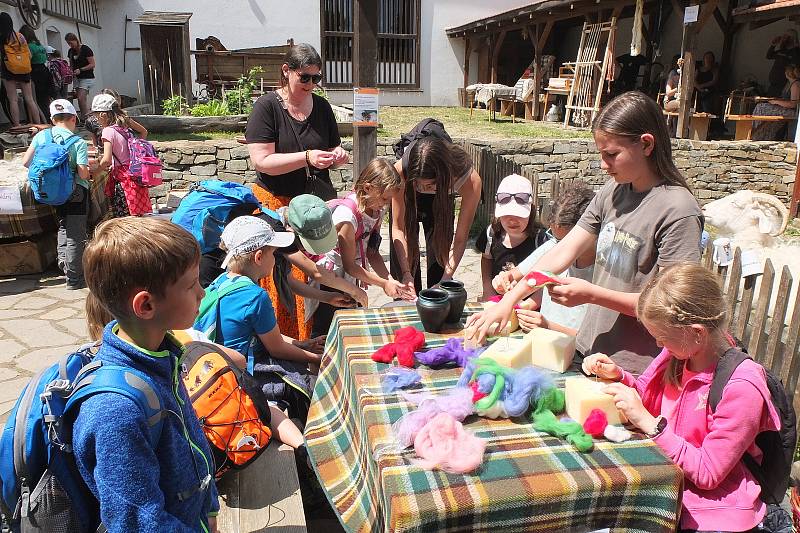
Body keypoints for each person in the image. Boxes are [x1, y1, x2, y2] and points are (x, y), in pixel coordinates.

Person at [466, 91, 704, 375]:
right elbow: (561, 253)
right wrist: (508, 300)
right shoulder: (612, 193)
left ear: (646, 144)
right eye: (601, 154)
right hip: (592, 351)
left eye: (612, 154)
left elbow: (667, 304)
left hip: (639, 368)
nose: (604, 165)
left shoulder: (678, 211)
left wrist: (591, 294)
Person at [583, 263, 781, 532]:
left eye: (662, 337)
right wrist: (618, 376)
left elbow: (708, 473)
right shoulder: (679, 354)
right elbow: (648, 399)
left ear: (697, 332)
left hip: (714, 513)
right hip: (667, 488)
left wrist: (650, 424)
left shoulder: (742, 386)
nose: (658, 345)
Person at [75, 217, 219, 532]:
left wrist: (209, 509)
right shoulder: (115, 411)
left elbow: (192, 443)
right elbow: (136, 523)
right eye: (191, 284)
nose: (203, 293)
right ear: (146, 304)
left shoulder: (162, 355)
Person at [245, 43, 348, 341]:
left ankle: (312, 340)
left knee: (317, 273)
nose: (311, 84)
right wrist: (306, 157)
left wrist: (336, 154)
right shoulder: (267, 107)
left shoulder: (322, 107)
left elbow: (329, 147)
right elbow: (262, 161)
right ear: (286, 71)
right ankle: (286, 346)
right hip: (277, 206)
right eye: (305, 77)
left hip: (314, 208)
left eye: (316, 78)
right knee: (284, 278)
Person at [194, 216, 321, 421]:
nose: (276, 258)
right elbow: (276, 348)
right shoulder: (255, 296)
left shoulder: (222, 281)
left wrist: (302, 344)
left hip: (219, 367)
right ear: (259, 257)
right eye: (274, 253)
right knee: (308, 384)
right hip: (243, 374)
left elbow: (267, 335)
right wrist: (316, 358)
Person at [308, 158, 413, 337]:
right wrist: (383, 283)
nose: (385, 204)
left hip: (352, 274)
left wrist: (390, 279)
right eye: (384, 198)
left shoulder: (375, 210)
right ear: (367, 188)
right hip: (332, 276)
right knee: (326, 329)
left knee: (350, 327)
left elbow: (372, 252)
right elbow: (349, 265)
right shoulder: (347, 217)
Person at [389, 135, 482, 296]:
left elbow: (460, 239)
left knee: (439, 260)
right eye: (419, 184)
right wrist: (405, 273)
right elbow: (398, 229)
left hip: (441, 200)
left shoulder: (469, 180)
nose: (423, 189)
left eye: (429, 185)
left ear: (445, 176)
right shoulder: (400, 172)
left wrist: (444, 281)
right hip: (408, 196)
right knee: (404, 279)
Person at [513, 180, 596, 336]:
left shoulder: (604, 272)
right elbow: (533, 281)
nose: (559, 247)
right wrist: (522, 302)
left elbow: (592, 338)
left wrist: (548, 326)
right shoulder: (552, 246)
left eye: (565, 242)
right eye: (555, 238)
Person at [21, 99, 89, 289]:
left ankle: (64, 264)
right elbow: (83, 173)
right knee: (76, 233)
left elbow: (26, 162)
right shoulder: (78, 142)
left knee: (63, 226)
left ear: (52, 119)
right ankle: (74, 279)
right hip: (76, 192)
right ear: (74, 118)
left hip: (51, 192)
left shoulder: (42, 136)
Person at [475, 173, 548, 301]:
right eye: (507, 214)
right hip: (497, 300)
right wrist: (487, 289)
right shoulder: (491, 234)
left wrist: (530, 304)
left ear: (530, 211)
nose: (512, 220)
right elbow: (486, 259)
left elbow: (547, 277)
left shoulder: (541, 240)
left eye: (519, 214)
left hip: (530, 305)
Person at [91, 93, 151, 217]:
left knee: (124, 218)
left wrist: (95, 172)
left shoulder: (107, 131)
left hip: (123, 180)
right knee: (138, 215)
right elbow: (143, 132)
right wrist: (137, 149)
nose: (95, 119)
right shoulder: (126, 123)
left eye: (96, 116)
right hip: (136, 175)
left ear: (103, 114)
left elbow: (107, 160)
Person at [0, 13, 41, 127]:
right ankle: (39, 125)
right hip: (24, 69)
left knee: (13, 100)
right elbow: (29, 55)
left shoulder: (2, 38)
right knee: (30, 99)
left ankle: (17, 126)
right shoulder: (20, 36)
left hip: (8, 70)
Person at [752, 64, 800, 141]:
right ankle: (760, 134)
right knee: (761, 106)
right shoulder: (789, 84)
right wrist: (774, 100)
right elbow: (785, 99)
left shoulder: (795, 84)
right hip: (786, 108)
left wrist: (776, 102)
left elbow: (793, 104)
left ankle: (755, 131)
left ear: (788, 73)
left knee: (761, 107)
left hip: (791, 111)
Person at [18, 25, 49, 122]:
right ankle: (47, 119)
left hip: (35, 71)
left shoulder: (29, 46)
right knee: (44, 98)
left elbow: (28, 60)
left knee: (34, 99)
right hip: (44, 70)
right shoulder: (40, 45)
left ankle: (36, 121)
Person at [65, 32, 94, 121]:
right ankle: (84, 117)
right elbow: (71, 64)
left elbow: (92, 64)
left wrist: (80, 70)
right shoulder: (71, 51)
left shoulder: (86, 49)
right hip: (77, 78)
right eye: (68, 43)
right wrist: (70, 72)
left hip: (87, 77)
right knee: (80, 99)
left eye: (71, 43)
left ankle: (87, 118)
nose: (70, 45)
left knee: (81, 97)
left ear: (75, 40)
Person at [767, 30, 800, 97]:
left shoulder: (796, 52)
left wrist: (795, 47)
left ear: (791, 38)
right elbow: (769, 56)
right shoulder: (782, 51)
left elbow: (796, 63)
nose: (782, 38)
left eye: (785, 36)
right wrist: (773, 45)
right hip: (773, 84)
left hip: (783, 86)